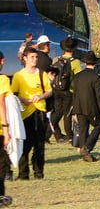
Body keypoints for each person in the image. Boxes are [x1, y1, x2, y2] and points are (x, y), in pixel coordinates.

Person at [13, 46, 50, 180]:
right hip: (25, 113)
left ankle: (39, 173)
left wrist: (40, 96)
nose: (35, 60)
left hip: (39, 111)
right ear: (25, 59)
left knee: (40, 144)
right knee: (25, 145)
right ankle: (23, 174)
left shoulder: (42, 74)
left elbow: (49, 91)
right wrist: (23, 99)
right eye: (32, 57)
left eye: (36, 57)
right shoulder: (19, 75)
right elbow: (13, 94)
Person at [69, 51, 100, 161]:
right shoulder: (95, 77)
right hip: (92, 108)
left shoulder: (78, 76)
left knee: (82, 129)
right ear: (94, 64)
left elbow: (75, 94)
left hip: (79, 107)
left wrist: (74, 110)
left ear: (85, 63)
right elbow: (99, 96)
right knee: (99, 126)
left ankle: (83, 150)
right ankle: (87, 147)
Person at [49, 36, 82, 143]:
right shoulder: (75, 62)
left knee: (56, 113)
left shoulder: (57, 59)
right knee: (68, 114)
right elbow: (78, 77)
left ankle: (56, 134)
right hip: (69, 90)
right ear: (74, 48)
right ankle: (70, 135)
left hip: (57, 90)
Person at [0, 49, 13, 205]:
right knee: (1, 163)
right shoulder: (2, 80)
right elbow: (1, 103)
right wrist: (6, 128)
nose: (4, 62)